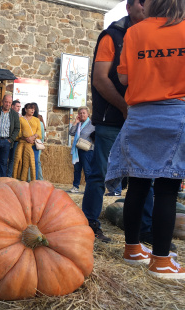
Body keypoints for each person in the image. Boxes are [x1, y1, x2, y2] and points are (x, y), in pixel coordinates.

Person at [105, 0, 185, 279]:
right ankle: (161, 261)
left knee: (137, 186)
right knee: (167, 187)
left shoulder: (135, 32)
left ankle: (132, 248)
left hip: (139, 115)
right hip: (175, 113)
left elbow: (124, 78)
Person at [81, 0, 150, 242]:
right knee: (100, 173)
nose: (147, 8)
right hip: (112, 118)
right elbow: (100, 79)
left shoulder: (153, 35)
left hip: (141, 117)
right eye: (143, 4)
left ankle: (145, 229)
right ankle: (89, 225)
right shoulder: (112, 36)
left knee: (144, 174)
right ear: (130, 7)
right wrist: (124, 107)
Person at [12, 103, 41, 181]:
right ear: (25, 109)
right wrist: (26, 138)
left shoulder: (37, 120)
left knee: (34, 162)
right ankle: (18, 179)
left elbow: (39, 131)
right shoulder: (21, 119)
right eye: (31, 108)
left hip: (33, 144)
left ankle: (34, 180)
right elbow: (19, 131)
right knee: (20, 161)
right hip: (22, 143)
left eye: (34, 109)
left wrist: (33, 137)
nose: (32, 110)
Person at [69, 106, 94, 193]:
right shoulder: (78, 124)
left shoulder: (92, 124)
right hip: (77, 150)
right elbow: (71, 133)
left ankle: (89, 188)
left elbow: (96, 136)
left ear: (88, 114)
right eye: (80, 113)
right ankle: (75, 186)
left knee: (87, 170)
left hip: (87, 150)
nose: (82, 114)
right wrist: (75, 123)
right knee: (77, 169)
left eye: (84, 113)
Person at [1, 99, 21, 177]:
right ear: (12, 106)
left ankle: (9, 175)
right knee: (3, 158)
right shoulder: (7, 114)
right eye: (17, 106)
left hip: (14, 140)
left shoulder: (20, 117)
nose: (18, 108)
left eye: (20, 106)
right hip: (6, 139)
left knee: (12, 158)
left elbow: (18, 129)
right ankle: (1, 175)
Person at [33, 103, 45, 180]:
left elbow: (42, 135)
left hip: (36, 144)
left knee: (37, 161)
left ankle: (39, 179)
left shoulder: (39, 121)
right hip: (30, 143)